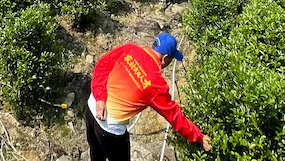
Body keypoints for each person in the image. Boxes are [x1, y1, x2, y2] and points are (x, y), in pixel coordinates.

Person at [86, 32, 212, 160]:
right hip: (110, 128)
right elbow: (175, 116)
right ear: (165, 58)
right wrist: (199, 137)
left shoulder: (129, 49)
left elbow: (102, 66)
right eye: (172, 59)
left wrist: (100, 97)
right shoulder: (156, 84)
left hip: (92, 107)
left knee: (96, 154)